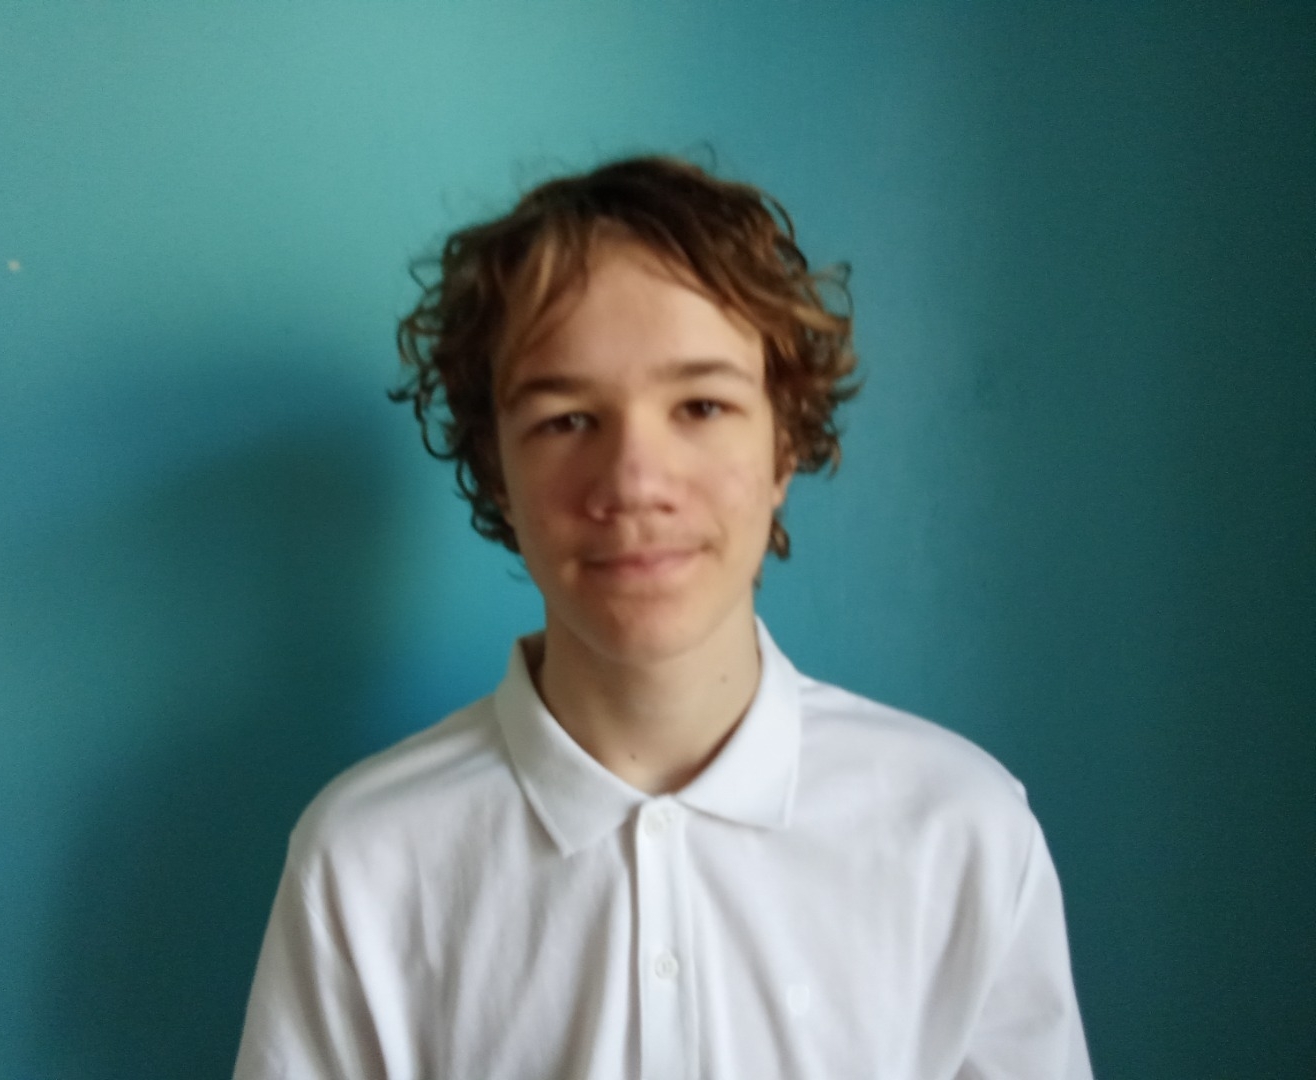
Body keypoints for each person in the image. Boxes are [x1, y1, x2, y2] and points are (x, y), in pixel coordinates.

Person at [232, 155, 1093, 1079]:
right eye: (567, 419)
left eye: (702, 406)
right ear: (497, 470)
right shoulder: (363, 861)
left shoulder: (961, 831)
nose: (636, 482)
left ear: (784, 446)